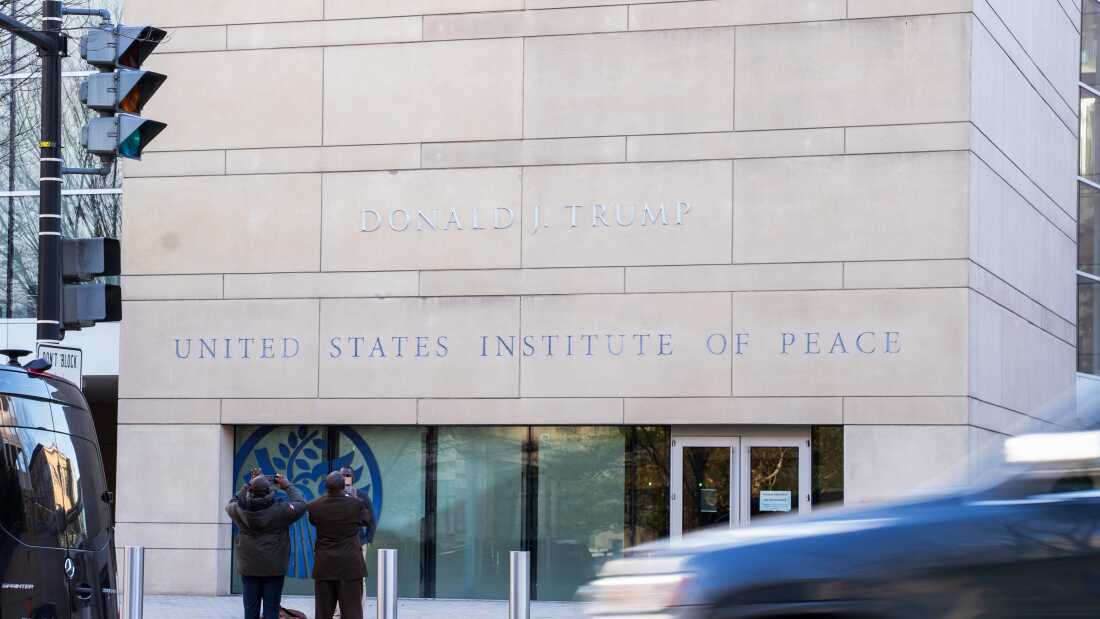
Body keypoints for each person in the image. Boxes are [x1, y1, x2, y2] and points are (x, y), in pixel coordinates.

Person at [225, 471, 307, 619]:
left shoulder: (239, 509)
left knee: (250, 610)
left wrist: (248, 485)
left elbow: (231, 502)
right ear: (270, 491)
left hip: (249, 567)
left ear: (251, 491)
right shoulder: (281, 510)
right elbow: (301, 504)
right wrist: (287, 486)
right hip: (273, 569)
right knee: (271, 609)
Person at [309, 469, 375, 619]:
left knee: (323, 612)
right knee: (352, 612)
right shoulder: (356, 504)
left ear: (326, 486)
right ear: (343, 486)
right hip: (350, 564)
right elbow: (367, 520)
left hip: (324, 565)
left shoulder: (314, 506)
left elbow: (313, 521)